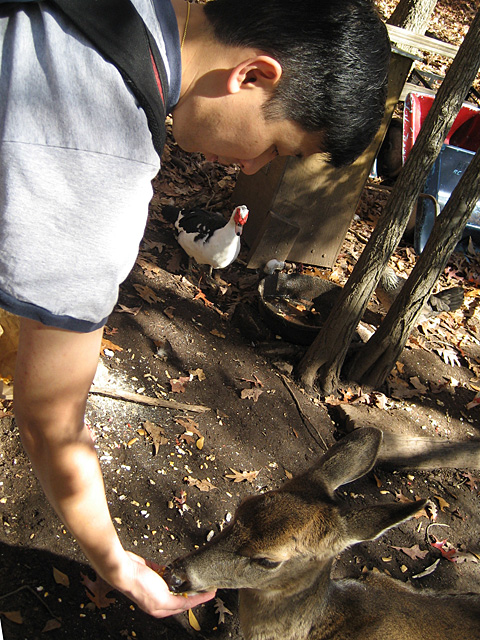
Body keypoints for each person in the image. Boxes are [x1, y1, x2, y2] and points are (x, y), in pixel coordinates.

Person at [0, 0, 390, 619]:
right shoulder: (97, 175)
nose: (254, 165)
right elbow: (51, 421)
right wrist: (117, 564)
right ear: (254, 76)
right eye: (278, 147)